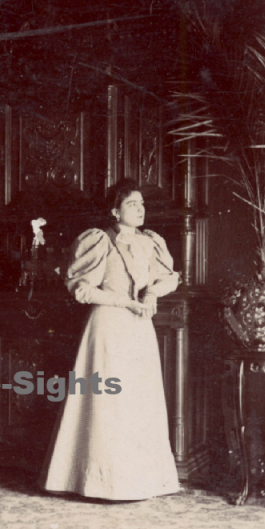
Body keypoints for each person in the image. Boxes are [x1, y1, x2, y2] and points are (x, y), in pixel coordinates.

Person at [40, 178, 181, 501]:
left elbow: (168, 277)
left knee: (136, 403)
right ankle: (97, 484)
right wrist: (125, 302)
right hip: (107, 326)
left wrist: (151, 291)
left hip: (139, 329)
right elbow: (82, 289)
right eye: (132, 204)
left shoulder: (151, 242)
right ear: (115, 210)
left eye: (142, 204)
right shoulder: (99, 240)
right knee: (107, 403)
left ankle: (138, 483)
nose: (140, 210)